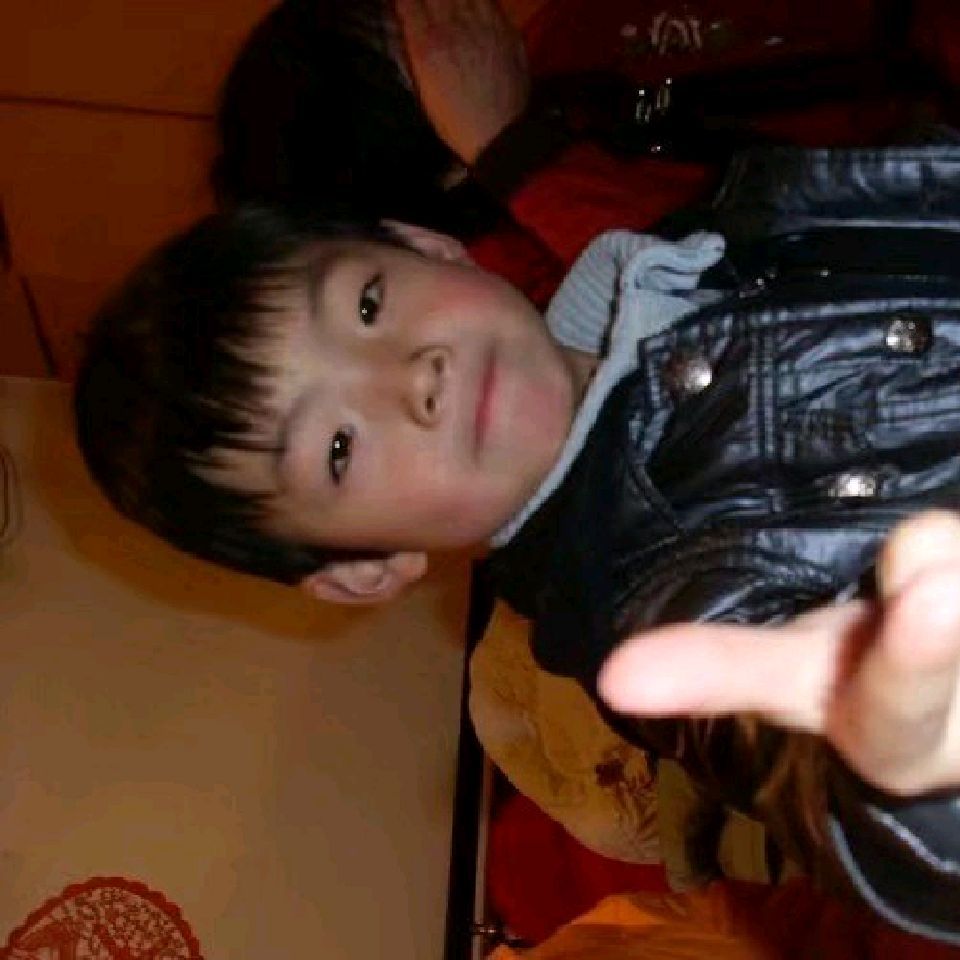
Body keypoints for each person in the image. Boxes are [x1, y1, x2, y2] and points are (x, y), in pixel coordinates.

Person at [73, 140, 960, 942]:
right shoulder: (663, 607)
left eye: (369, 304)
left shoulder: (732, 220)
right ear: (363, 569)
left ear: (425, 244)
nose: (413, 376)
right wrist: (903, 781)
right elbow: (825, 787)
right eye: (339, 448)